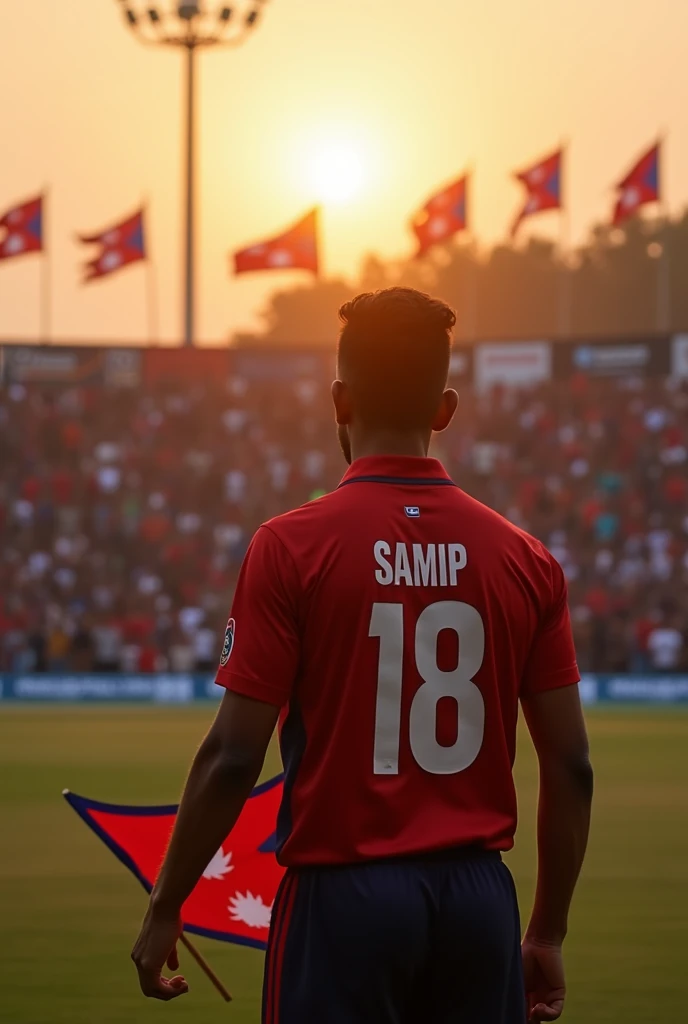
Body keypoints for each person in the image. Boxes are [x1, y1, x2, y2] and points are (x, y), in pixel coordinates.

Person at [131, 288, 593, 1023]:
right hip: (478, 902)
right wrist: (547, 932)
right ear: (445, 409)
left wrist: (166, 903)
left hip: (343, 899)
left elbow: (231, 756)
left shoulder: (290, 546)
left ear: (339, 401)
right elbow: (571, 766)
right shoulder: (524, 559)